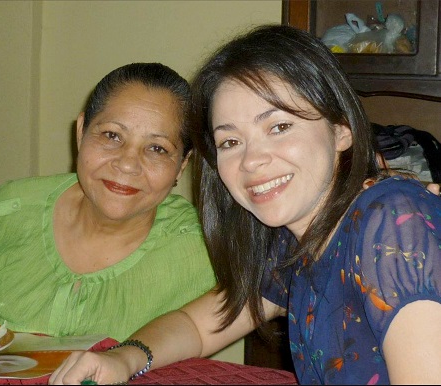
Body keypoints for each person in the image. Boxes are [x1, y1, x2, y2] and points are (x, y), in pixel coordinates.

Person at [49, 25, 441, 385]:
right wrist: (124, 359)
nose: (251, 160)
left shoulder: (392, 222)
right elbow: (198, 326)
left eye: (279, 126)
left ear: (341, 130)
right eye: (230, 142)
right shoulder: (299, 243)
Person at [0, 62, 216, 342]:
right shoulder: (6, 211)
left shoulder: (208, 248)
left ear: (182, 165)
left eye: (157, 148)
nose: (127, 164)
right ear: (81, 130)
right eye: (112, 135)